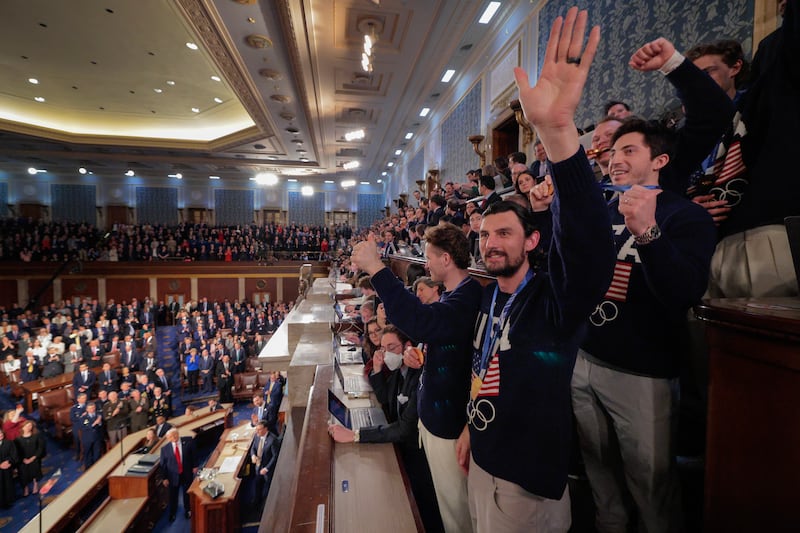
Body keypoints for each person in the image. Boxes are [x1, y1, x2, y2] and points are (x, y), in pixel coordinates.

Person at [459, 9, 615, 532]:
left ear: (531, 240)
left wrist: (559, 137)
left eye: (503, 233)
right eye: (483, 235)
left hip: (526, 483)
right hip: (481, 455)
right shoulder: (489, 295)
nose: (490, 243)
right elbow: (485, 370)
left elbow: (591, 250)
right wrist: (469, 430)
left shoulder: (555, 299)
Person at [350, 222, 482, 533]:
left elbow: (424, 322)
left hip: (448, 424)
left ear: (446, 259)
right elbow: (438, 337)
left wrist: (376, 268)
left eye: (429, 257)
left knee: (457, 513)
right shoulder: (456, 295)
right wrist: (421, 356)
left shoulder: (467, 297)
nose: (426, 263)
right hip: (434, 417)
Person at [329, 326, 443, 532]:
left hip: (418, 459)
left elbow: (403, 429)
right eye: (382, 348)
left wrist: (356, 435)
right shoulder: (400, 371)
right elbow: (385, 400)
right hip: (405, 445)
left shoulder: (419, 377)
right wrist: (379, 370)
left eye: (391, 347)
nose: (386, 353)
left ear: (408, 347)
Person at [160, 428, 197, 521]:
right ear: (168, 438)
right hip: (173, 476)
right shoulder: (164, 449)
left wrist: (195, 466)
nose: (174, 437)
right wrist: (164, 478)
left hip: (186, 472)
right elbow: (163, 465)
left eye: (175, 434)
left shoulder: (188, 441)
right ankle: (173, 513)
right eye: (171, 436)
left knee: (187, 493)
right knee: (173, 496)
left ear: (178, 433)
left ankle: (188, 510)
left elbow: (194, 454)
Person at [249, 420, 280, 503]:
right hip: (258, 466)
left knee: (268, 489)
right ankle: (256, 502)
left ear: (265, 429)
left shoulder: (273, 440)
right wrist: (253, 455)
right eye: (256, 429)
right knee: (257, 485)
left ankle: (265, 504)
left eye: (259, 429)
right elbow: (253, 448)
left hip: (267, 469)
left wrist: (267, 468)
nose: (257, 431)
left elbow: (275, 456)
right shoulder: (256, 436)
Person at [15, 420, 45, 496]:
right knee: (22, 472)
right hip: (23, 459)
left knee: (34, 468)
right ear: (22, 427)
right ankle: (25, 488)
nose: (28, 428)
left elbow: (40, 448)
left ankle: (35, 485)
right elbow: (16, 452)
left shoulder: (36, 436)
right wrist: (23, 459)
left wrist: (33, 457)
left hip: (34, 457)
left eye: (30, 426)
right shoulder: (17, 439)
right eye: (26, 426)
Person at [80, 402, 105, 469]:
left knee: (97, 451)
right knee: (87, 453)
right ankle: (88, 466)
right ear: (87, 409)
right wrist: (95, 423)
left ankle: (97, 465)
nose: (92, 409)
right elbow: (84, 427)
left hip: (97, 437)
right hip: (88, 438)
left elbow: (101, 425)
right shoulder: (84, 417)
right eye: (90, 408)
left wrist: (99, 423)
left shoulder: (98, 415)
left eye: (93, 408)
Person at [0, 428, 18, 509]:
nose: (0, 435)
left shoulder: (9, 443)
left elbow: (14, 454)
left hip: (7, 467)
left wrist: (8, 461)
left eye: (1, 433)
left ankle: (9, 501)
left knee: (8, 484)